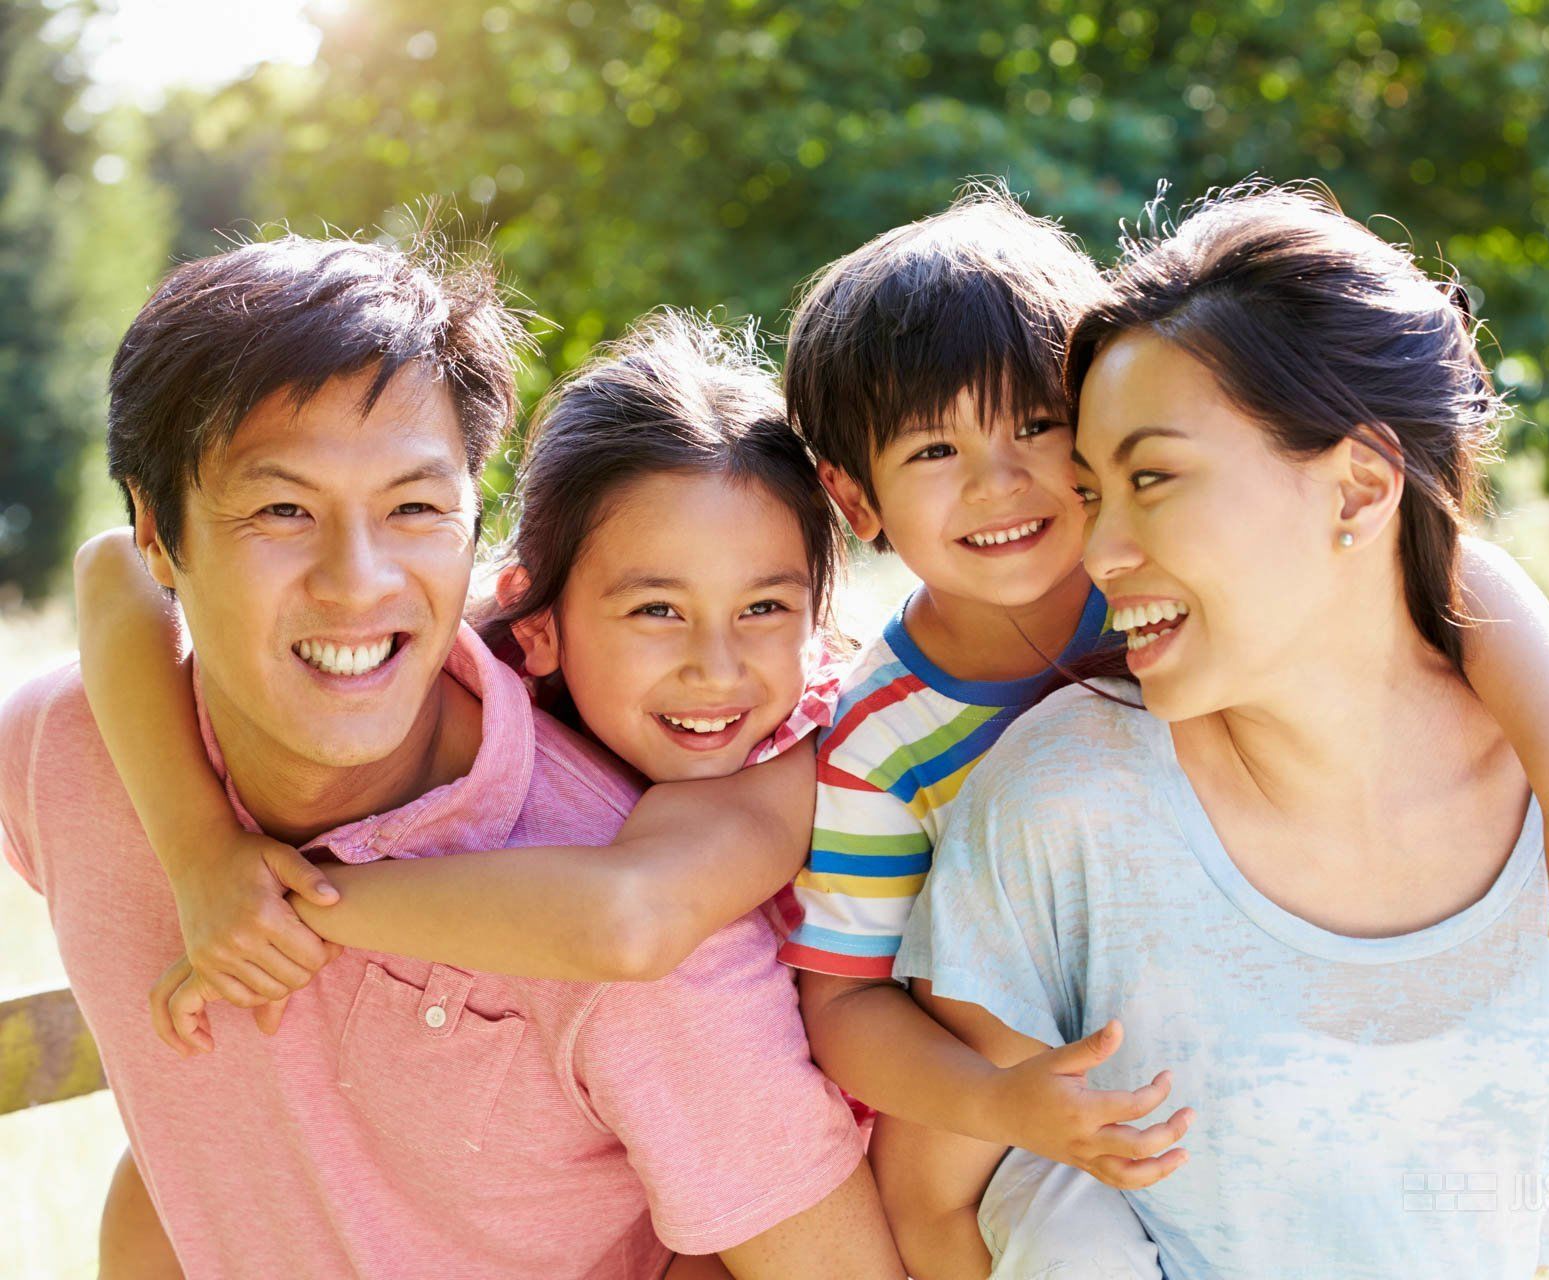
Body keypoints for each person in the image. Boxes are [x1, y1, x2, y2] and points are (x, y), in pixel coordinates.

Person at [777, 186, 1549, 1277]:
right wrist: (1000, 1102)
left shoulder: (1155, 586)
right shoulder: (890, 733)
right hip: (1029, 1060)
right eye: (934, 451)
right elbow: (846, 1000)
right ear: (855, 496)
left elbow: (1446, 565)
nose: (1003, 481)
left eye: (1041, 432)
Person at [0, 238, 898, 1279]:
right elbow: (105, 575)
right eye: (283, 507)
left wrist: (284, 903)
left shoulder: (655, 940)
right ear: (162, 531)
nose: (356, 579)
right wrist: (201, 849)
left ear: (476, 526)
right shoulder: (73, 748)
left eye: (415, 506)